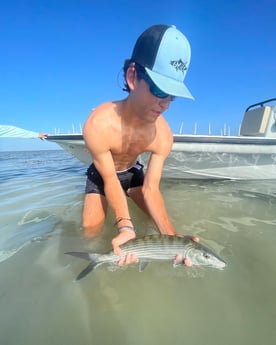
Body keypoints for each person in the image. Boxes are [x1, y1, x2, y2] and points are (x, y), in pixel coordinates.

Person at [82, 24, 198, 266]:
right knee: (90, 232)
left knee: (153, 223)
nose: (165, 103)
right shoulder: (98, 124)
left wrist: (174, 239)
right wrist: (125, 225)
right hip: (103, 175)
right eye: (159, 90)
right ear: (132, 76)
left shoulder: (163, 135)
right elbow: (110, 180)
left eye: (172, 96)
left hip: (133, 173)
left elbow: (151, 189)